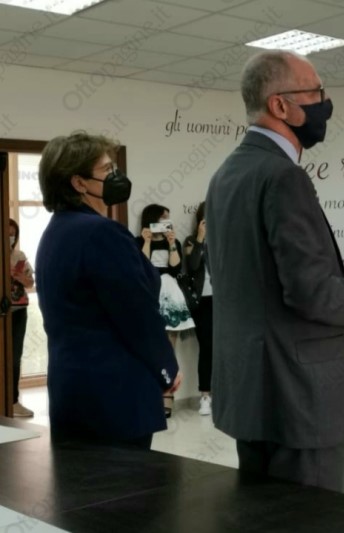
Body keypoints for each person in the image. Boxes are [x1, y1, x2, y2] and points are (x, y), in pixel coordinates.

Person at [205, 50, 344, 492]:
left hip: (251, 391)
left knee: (265, 515)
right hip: (299, 396)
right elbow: (311, 290)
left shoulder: (226, 174)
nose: (324, 103)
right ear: (280, 105)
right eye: (315, 92)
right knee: (312, 518)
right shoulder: (283, 176)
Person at [35, 131, 180, 448]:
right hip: (114, 395)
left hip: (71, 389)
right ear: (79, 183)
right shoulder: (102, 233)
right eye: (106, 170)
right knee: (125, 479)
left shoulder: (55, 231)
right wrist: (167, 368)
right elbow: (136, 313)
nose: (116, 176)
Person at [135, 203, 194, 418]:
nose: (165, 222)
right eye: (161, 218)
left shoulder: (173, 241)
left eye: (167, 218)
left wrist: (171, 243)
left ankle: (168, 394)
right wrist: (147, 241)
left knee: (169, 346)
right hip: (149, 290)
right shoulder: (139, 241)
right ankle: (150, 394)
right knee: (147, 345)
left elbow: (176, 267)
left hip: (169, 291)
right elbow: (142, 267)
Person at [184, 202, 213, 416]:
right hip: (203, 301)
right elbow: (193, 266)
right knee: (208, 347)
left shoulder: (225, 238)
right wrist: (201, 239)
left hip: (225, 300)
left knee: (228, 348)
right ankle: (205, 395)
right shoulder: (190, 241)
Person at [9, 219, 34, 418]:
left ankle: (13, 401)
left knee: (15, 356)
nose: (10, 238)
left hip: (18, 310)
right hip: (3, 311)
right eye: (7, 233)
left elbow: (30, 282)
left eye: (13, 234)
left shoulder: (20, 256)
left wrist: (19, 277)